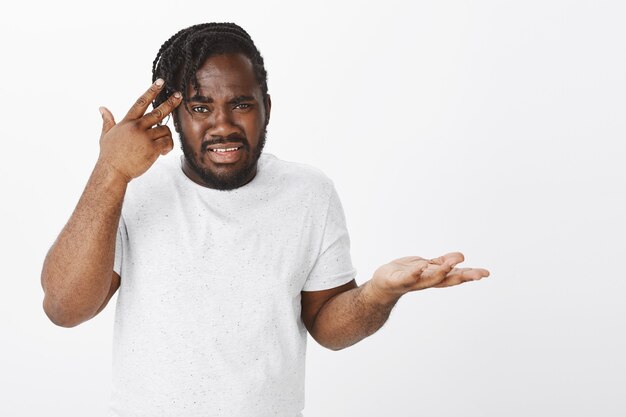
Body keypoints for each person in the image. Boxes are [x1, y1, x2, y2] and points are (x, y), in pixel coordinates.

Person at [41, 22, 490, 417]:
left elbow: (328, 327)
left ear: (266, 107)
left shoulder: (309, 193)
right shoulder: (132, 190)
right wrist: (110, 171)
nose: (222, 124)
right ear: (174, 116)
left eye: (241, 104)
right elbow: (64, 308)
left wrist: (379, 293)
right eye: (199, 107)